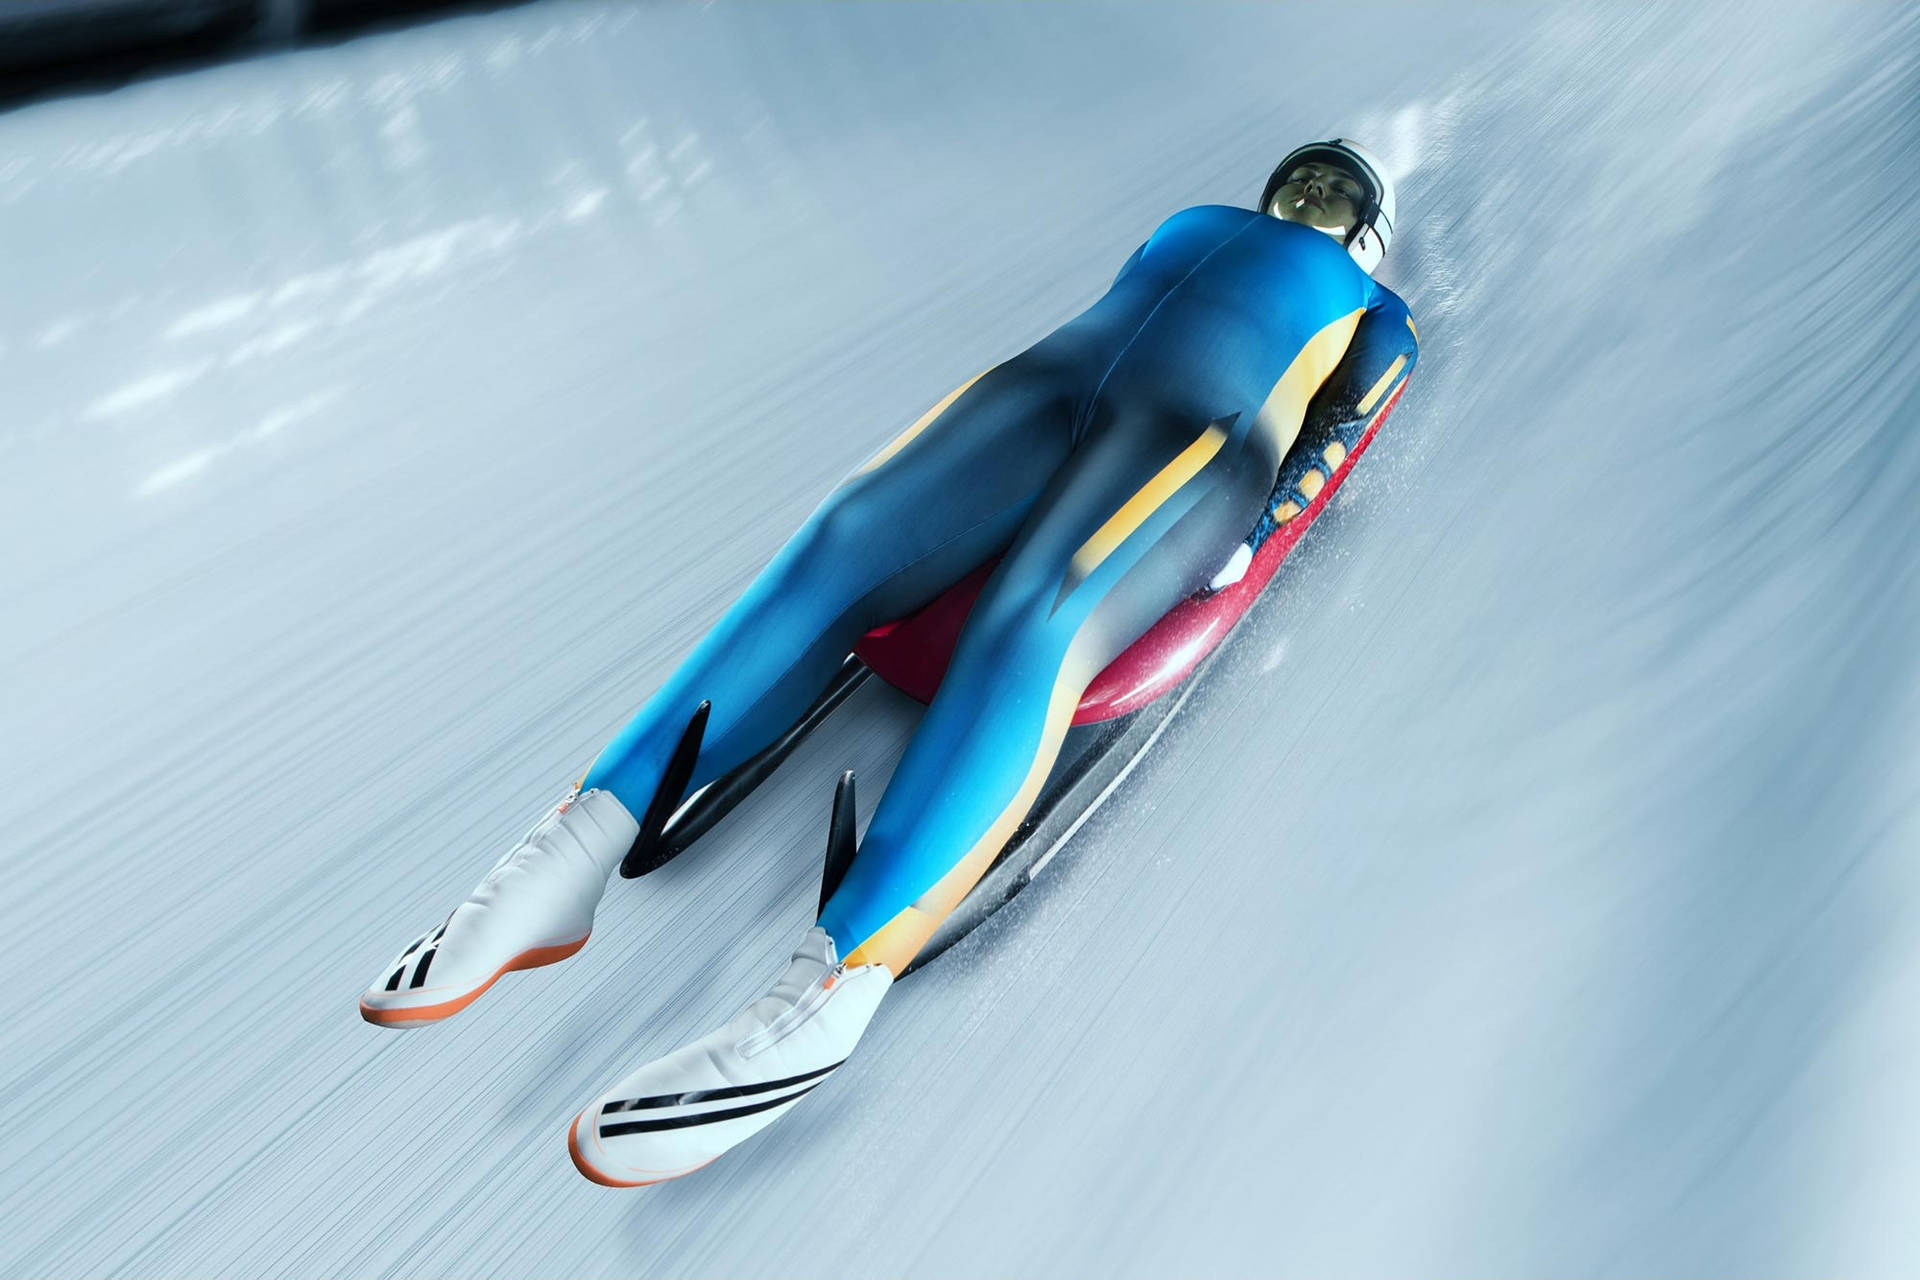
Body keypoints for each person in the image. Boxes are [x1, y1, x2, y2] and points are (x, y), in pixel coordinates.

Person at [359, 137, 1420, 1186]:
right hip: (1045, 387)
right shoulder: (1192, 221)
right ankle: (574, 847)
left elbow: (1333, 439)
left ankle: (826, 998)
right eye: (1307, 181)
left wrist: (1256, 538)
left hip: (1195, 440)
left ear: (1365, 233)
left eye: (1338, 194)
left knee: (1034, 621)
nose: (1316, 199)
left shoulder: (1378, 317)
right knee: (842, 536)